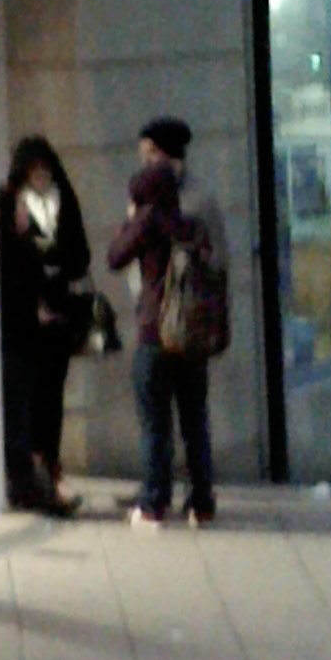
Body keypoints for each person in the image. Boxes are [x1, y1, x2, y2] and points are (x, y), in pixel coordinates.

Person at [105, 115, 225, 529]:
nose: (143, 165)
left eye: (149, 156)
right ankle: (201, 500)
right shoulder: (195, 215)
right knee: (194, 419)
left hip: (157, 329)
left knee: (155, 422)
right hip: (190, 332)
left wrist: (134, 218)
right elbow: (217, 263)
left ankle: (154, 500)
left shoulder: (154, 213)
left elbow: (115, 256)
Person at [0, 135, 92, 514]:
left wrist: (57, 261)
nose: (40, 177)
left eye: (45, 170)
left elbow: (80, 254)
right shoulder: (12, 206)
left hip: (57, 314)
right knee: (27, 398)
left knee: (51, 395)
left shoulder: (63, 200)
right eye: (34, 171)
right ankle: (33, 474)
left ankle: (49, 467)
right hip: (26, 319)